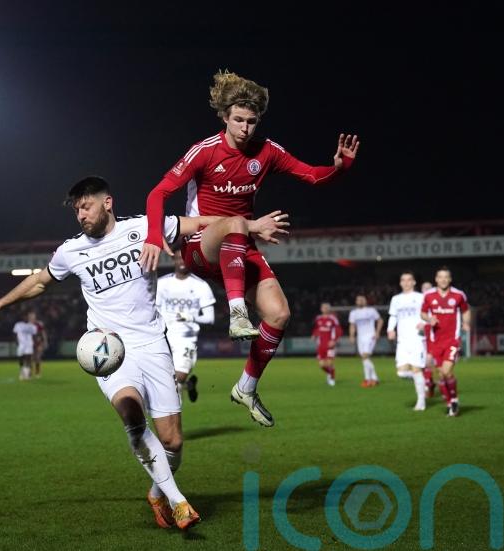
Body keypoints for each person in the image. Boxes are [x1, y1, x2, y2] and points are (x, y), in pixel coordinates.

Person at [0, 176, 285, 530]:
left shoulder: (145, 228)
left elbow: (201, 223)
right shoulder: (70, 251)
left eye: (86, 206)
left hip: (152, 344)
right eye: (76, 210)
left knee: (173, 441)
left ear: (108, 203)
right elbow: (41, 281)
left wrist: (249, 225)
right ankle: (179, 501)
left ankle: (158, 492)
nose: (80, 215)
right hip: (108, 349)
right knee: (132, 415)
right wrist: (0, 304)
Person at [140, 69, 358, 427]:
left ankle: (246, 387)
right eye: (238, 120)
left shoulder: (267, 152)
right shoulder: (204, 152)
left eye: (251, 121)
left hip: (240, 248)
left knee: (279, 314)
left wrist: (338, 168)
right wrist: (153, 235)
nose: (245, 128)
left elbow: (311, 175)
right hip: (201, 246)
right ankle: (237, 312)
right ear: (225, 117)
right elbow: (158, 193)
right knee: (237, 223)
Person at [156, 251, 217, 403]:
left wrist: (191, 317)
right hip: (161, 335)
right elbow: (153, 309)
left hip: (185, 337)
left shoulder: (201, 286)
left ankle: (173, 420)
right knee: (166, 379)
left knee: (178, 377)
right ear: (173, 260)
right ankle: (187, 387)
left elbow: (210, 318)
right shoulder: (162, 283)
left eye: (185, 258)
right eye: (178, 258)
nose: (182, 261)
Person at [421, 267, 471, 417]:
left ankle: (454, 400)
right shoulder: (429, 296)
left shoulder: (458, 295)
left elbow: (466, 310)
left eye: (446, 277)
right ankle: (450, 403)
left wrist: (466, 322)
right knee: (440, 376)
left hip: (452, 340)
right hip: (435, 341)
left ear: (450, 279)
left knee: (446, 371)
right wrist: (429, 319)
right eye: (440, 277)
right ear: (436, 279)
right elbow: (423, 313)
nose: (443, 280)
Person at [387, 272, 428, 410]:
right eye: (403, 280)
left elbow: (428, 314)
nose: (406, 282)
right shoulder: (396, 299)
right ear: (400, 283)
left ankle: (421, 402)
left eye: (409, 280)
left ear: (414, 282)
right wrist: (390, 329)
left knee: (416, 368)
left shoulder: (421, 297)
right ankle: (422, 380)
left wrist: (424, 323)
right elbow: (393, 316)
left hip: (417, 338)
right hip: (402, 341)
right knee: (401, 372)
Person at [349, 295, 383, 387]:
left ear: (365, 301)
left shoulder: (371, 311)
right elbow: (352, 325)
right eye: (358, 300)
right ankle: (373, 379)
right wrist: (352, 336)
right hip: (360, 337)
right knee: (364, 358)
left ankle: (368, 379)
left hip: (370, 336)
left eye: (361, 300)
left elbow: (380, 320)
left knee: (365, 356)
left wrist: (377, 332)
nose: (359, 301)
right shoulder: (353, 313)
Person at [311, 302, 342, 386]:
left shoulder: (333, 318)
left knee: (329, 363)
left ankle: (332, 378)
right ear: (321, 309)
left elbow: (338, 330)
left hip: (330, 344)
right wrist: (314, 335)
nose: (325, 309)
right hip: (321, 345)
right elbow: (316, 328)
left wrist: (334, 340)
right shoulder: (318, 318)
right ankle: (331, 372)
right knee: (321, 365)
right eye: (323, 307)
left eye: (326, 307)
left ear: (329, 309)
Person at [419, 281, 436, 396]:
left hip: (431, 333)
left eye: (429, 288)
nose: (426, 290)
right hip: (417, 335)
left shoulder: (435, 300)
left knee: (428, 361)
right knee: (420, 362)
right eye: (424, 287)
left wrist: (425, 325)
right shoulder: (417, 300)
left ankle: (428, 384)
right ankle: (429, 383)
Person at [13, 312, 38, 381]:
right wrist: (16, 342)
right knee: (21, 358)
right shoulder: (18, 325)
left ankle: (27, 373)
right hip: (21, 344)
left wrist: (35, 344)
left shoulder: (32, 326)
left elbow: (34, 335)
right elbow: (15, 334)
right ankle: (22, 370)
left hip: (29, 344)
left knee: (28, 359)